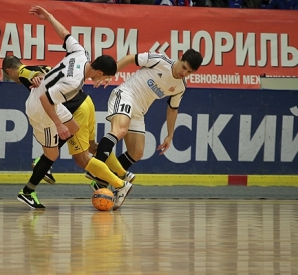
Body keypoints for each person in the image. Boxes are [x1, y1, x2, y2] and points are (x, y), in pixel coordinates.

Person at [10, 6, 134, 210]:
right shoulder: (72, 84)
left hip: (50, 98)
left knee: (74, 129)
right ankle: (28, 191)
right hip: (39, 108)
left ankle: (50, 156)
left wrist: (49, 16)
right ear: (100, 71)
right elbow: (44, 99)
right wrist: (58, 125)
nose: (104, 81)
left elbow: (65, 34)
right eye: (105, 77)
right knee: (52, 155)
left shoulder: (80, 53)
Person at [92, 49, 203, 203]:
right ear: (180, 58)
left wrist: (170, 135)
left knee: (137, 152)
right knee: (120, 130)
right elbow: (130, 58)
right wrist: (110, 74)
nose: (184, 73)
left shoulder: (180, 87)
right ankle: (96, 169)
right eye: (184, 67)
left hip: (139, 111)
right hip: (126, 95)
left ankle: (101, 181)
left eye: (189, 72)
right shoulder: (159, 61)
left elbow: (173, 109)